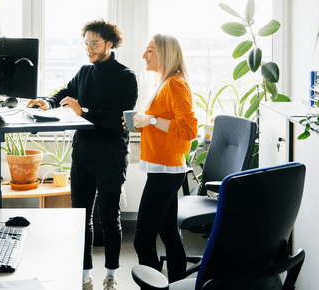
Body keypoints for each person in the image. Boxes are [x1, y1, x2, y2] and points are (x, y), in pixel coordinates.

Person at [27, 19, 138, 290]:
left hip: (111, 156)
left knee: (110, 219)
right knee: (80, 217)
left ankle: (111, 276)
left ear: (110, 44)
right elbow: (66, 93)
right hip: (84, 155)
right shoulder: (84, 71)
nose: (89, 48)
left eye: (94, 43)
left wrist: (84, 111)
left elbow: (119, 121)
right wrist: (48, 101)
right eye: (86, 42)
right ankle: (84, 275)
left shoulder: (126, 77)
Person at [126, 34, 198, 283]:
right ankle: (176, 285)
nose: (144, 56)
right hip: (164, 167)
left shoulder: (175, 84)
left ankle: (153, 286)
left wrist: (152, 120)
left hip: (167, 170)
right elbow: (166, 124)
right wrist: (144, 124)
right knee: (168, 233)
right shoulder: (165, 83)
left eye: (149, 51)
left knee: (142, 240)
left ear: (165, 54)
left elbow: (188, 130)